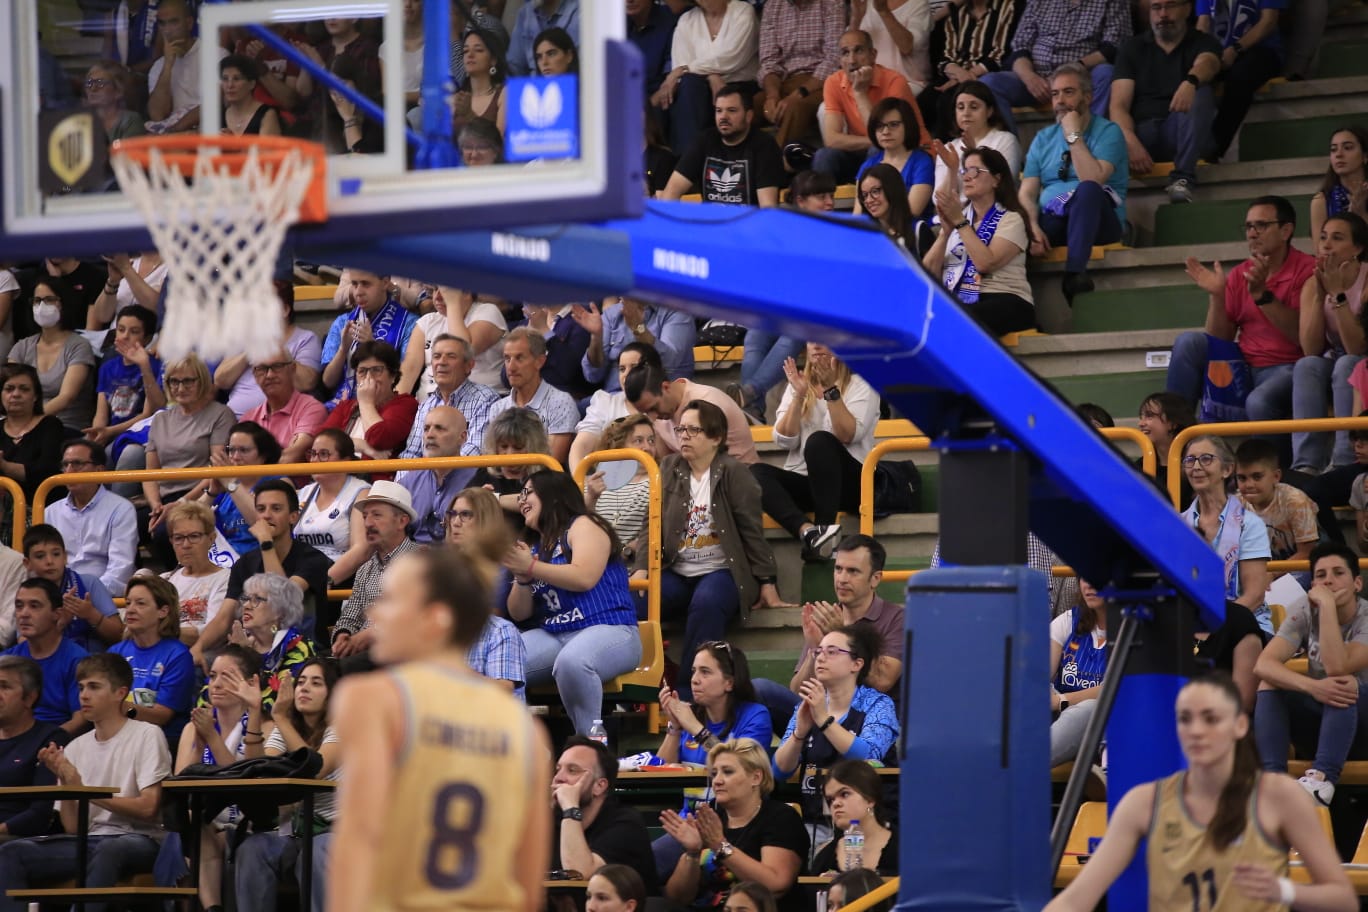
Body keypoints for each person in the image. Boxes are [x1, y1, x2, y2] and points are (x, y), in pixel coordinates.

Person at [328, 544, 552, 912]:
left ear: (436, 619)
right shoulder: (527, 733)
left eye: (391, 600)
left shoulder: (374, 700)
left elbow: (357, 842)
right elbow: (528, 879)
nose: (373, 612)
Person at [1043, 673, 1356, 912]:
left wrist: (1283, 891)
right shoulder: (1144, 802)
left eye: (1211, 719)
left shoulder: (1279, 796)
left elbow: (1343, 899)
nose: (1196, 730)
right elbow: (1075, 900)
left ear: (1240, 726)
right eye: (1185, 719)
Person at [0, 653, 172, 906]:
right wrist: (67, 783)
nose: (84, 695)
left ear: (119, 693)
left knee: (110, 849)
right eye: (80, 687)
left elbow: (148, 808)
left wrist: (84, 790)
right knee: (11, 852)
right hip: (89, 839)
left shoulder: (147, 734)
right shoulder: (76, 746)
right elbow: (73, 827)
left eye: (94, 687)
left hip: (140, 839)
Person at [643, 400, 785, 700]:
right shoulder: (667, 467)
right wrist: (643, 566)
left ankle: (687, 695)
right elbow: (650, 525)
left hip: (722, 571)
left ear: (716, 437)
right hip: (676, 569)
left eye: (694, 430)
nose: (684, 436)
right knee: (635, 600)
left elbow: (751, 531)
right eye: (681, 429)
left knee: (706, 604)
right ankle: (640, 690)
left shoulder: (734, 473)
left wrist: (767, 582)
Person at [505, 471, 641, 735]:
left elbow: (584, 577)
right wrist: (522, 578)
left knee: (573, 661)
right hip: (556, 633)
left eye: (528, 492)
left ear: (553, 495)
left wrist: (531, 566)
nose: (522, 500)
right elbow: (519, 614)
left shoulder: (584, 524)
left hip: (611, 627)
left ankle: (590, 743)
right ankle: (515, 744)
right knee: (500, 659)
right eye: (520, 494)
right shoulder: (535, 545)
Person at [1168, 196, 1316, 424]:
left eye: (1261, 225)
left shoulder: (1307, 269)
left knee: (1258, 401)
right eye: (1248, 227)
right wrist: (1217, 296)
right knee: (1188, 342)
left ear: (1286, 231)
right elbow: (1221, 340)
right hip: (1244, 365)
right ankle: (1173, 434)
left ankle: (1272, 460)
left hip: (1288, 366)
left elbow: (1302, 338)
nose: (1252, 233)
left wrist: (1262, 296)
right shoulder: (1240, 273)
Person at [1253, 541, 1368, 807]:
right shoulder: (1304, 610)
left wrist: (1327, 608)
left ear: (1357, 584)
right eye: (1320, 575)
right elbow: (1264, 664)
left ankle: (1321, 780)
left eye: (1338, 573)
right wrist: (1312, 687)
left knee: (1343, 682)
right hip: (1326, 716)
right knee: (1271, 680)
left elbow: (1337, 667)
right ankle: (1273, 782)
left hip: (1362, 718)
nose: (1329, 581)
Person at [750, 344, 880, 560]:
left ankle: (825, 528)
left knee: (819, 442)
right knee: (754, 473)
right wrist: (799, 396)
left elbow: (847, 435)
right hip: (809, 484)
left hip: (851, 485)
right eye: (811, 340)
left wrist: (830, 391)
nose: (817, 345)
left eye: (824, 338)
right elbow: (784, 440)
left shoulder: (863, 385)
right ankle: (810, 534)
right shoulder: (797, 386)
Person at [234, 657, 342, 912]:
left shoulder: (343, 728)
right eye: (301, 681)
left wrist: (280, 717)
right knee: (253, 849)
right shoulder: (288, 729)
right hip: (297, 831)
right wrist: (254, 712)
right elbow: (260, 770)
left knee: (315, 853)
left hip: (338, 831)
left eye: (316, 683)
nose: (304, 688)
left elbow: (314, 770)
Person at [1019, 63, 1129, 303]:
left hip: (1100, 222)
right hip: (1055, 221)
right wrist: (1033, 227)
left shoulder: (1109, 132)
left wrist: (1072, 135)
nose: (1060, 100)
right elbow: (1027, 193)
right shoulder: (1043, 138)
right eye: (1055, 94)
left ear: (1087, 97)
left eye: (1068, 92)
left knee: (1088, 188)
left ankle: (1074, 274)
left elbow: (1093, 179)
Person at [193, 480, 332, 670]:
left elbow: (282, 601)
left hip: (302, 652)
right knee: (198, 663)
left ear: (293, 516)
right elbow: (224, 617)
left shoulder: (312, 559)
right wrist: (198, 647)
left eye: (276, 508)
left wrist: (266, 543)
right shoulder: (245, 563)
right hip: (253, 649)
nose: (267, 515)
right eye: (261, 509)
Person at [660, 738, 808, 912]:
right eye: (714, 774)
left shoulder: (780, 818)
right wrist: (692, 853)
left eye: (728, 772)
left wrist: (719, 846)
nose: (717, 781)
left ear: (756, 777)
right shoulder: (710, 818)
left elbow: (775, 886)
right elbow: (676, 898)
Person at [773, 626, 899, 827]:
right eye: (818, 651)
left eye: (831, 652)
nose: (821, 658)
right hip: (815, 823)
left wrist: (823, 719)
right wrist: (799, 734)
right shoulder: (806, 706)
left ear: (856, 664)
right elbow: (779, 771)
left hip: (870, 823)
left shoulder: (877, 704)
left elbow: (869, 754)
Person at [176, 645, 270, 912]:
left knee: (195, 838)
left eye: (225, 677)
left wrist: (213, 739)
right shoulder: (193, 727)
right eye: (212, 675)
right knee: (190, 827)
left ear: (251, 683)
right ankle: (212, 908)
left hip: (252, 820)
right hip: (205, 823)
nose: (215, 684)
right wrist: (198, 739)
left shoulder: (266, 726)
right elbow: (182, 786)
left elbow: (251, 783)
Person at [1109, 0, 1220, 204]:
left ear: (1187, 9)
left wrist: (1191, 81)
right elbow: (1118, 105)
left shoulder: (1203, 41)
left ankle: (1183, 179)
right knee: (1111, 134)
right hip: (1143, 135)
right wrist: (1130, 141)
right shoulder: (1132, 47)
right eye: (1156, 8)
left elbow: (1209, 63)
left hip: (1182, 133)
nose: (1163, 14)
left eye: (1170, 6)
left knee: (1201, 93)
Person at [925, 145, 1037, 334]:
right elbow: (927, 274)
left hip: (1006, 300)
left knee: (958, 319)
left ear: (996, 179)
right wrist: (945, 233)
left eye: (975, 171)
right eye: (964, 171)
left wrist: (960, 223)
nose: (967, 177)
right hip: (963, 301)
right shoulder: (960, 220)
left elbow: (985, 263)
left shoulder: (1011, 219)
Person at [977, 0, 1131, 135]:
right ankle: (1004, 154)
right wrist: (1030, 78)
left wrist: (1069, 71)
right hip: (1037, 78)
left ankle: (1090, 143)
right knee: (989, 83)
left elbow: (1113, 48)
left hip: (1081, 73)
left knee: (1106, 73)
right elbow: (1019, 48)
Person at [1292, 212, 1368, 472]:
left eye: (1337, 238)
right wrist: (1319, 295)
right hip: (1335, 357)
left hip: (1361, 358)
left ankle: (1346, 460)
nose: (1326, 245)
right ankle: (1306, 465)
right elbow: (1311, 348)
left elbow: (1357, 348)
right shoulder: (1313, 283)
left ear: (1357, 248)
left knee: (1348, 364)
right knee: (1307, 366)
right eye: (1323, 237)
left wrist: (1337, 295)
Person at [1182, 435, 1273, 634]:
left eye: (1206, 459)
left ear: (1227, 469)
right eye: (1190, 460)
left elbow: (1255, 595)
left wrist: (1214, 631)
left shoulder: (1250, 524)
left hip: (1244, 623)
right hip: (1191, 627)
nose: (1196, 467)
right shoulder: (1179, 525)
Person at [550, 736, 659, 892]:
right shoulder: (554, 818)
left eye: (572, 770)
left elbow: (579, 874)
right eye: (558, 769)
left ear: (599, 786)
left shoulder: (625, 825)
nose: (558, 778)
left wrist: (570, 808)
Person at [445, 487, 527, 696]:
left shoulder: (504, 563)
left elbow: (489, 616)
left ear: (485, 520)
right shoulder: (441, 564)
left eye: (465, 515)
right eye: (453, 514)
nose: (455, 522)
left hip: (483, 643)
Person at [144, 353, 235, 534]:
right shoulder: (160, 419)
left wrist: (181, 503)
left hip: (201, 494)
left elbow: (217, 467)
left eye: (188, 381)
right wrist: (156, 506)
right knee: (131, 524)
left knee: (165, 532)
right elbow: (150, 473)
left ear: (201, 381)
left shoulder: (220, 414)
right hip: (163, 498)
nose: (180, 388)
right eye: (174, 382)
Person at [654, 0, 760, 156]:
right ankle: (686, 164)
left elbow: (731, 58)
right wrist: (711, 75)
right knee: (684, 89)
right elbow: (681, 66)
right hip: (698, 87)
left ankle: (686, 167)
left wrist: (686, 69)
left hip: (739, 85)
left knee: (691, 88)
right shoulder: (687, 20)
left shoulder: (742, 12)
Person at [332, 481, 421, 662]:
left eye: (376, 516)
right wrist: (342, 635)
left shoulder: (420, 560)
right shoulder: (365, 568)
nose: (367, 523)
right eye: (365, 516)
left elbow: (414, 614)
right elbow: (350, 614)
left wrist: (370, 635)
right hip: (364, 655)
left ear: (402, 521)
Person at [814, 30, 918, 183]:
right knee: (824, 156)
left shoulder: (895, 81)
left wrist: (859, 93)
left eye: (859, 51)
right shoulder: (833, 82)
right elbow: (831, 139)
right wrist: (874, 140)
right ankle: (823, 204)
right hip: (864, 150)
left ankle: (872, 203)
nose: (852, 60)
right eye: (845, 53)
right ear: (839, 60)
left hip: (904, 152)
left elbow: (889, 135)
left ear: (873, 55)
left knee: (877, 150)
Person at [661, 83, 784, 207]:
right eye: (719, 111)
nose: (723, 117)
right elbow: (671, 192)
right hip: (710, 224)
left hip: (748, 225)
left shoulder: (764, 145)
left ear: (748, 116)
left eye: (731, 110)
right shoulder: (705, 140)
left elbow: (768, 208)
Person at [215, 280, 322, 418]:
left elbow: (306, 383)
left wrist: (276, 350)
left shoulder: (306, 339)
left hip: (277, 422)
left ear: (285, 310)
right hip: (234, 421)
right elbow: (221, 380)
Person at [108, 575, 195, 743]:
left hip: (160, 741)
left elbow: (162, 716)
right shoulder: (116, 652)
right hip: (119, 737)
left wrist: (117, 706)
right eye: (128, 603)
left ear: (163, 611)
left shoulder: (177, 655)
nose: (130, 610)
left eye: (140, 603)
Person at [46, 440, 138, 597]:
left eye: (77, 464)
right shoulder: (50, 512)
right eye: (65, 465)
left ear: (99, 470)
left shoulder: (121, 508)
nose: (69, 471)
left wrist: (84, 594)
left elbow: (120, 571)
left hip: (104, 599)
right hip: (58, 600)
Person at [1197, 0, 1283, 162]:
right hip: (1220, 51)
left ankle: (1213, 150)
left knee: (1239, 78)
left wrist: (1236, 49)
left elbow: (1269, 21)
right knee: (1196, 76)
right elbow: (1203, 23)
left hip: (1261, 50)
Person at [625, 363, 761, 466]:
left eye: (654, 408)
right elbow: (666, 465)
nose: (652, 417)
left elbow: (705, 461)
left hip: (739, 481)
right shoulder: (659, 415)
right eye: (646, 412)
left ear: (665, 387)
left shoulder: (708, 401)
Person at [659, 641, 772, 764]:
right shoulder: (690, 716)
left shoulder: (755, 717)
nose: (694, 679)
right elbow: (659, 776)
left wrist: (696, 729)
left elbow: (738, 768)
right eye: (694, 671)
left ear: (729, 683)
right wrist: (675, 728)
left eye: (705, 672)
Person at [12, 276, 98, 436]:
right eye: (37, 300)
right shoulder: (22, 347)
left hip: (66, 425)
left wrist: (28, 420)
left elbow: (66, 397)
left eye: (49, 299)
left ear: (63, 303)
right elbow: (8, 387)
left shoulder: (79, 346)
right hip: (22, 425)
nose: (42, 306)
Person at [919, 0, 1017, 140]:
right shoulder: (956, 12)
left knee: (948, 102)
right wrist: (958, 74)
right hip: (955, 73)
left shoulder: (1007, 6)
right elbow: (947, 54)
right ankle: (926, 155)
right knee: (925, 100)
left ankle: (952, 153)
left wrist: (967, 75)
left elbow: (1000, 53)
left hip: (984, 73)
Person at [320, 269, 418, 409]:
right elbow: (328, 381)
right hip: (341, 405)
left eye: (366, 284)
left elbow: (402, 381)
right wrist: (343, 350)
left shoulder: (409, 323)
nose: (358, 292)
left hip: (384, 407)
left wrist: (372, 346)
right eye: (354, 284)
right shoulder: (342, 322)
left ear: (385, 283)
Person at [753, 0, 843, 149]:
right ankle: (739, 162)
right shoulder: (773, 5)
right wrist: (772, 96)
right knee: (749, 105)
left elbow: (834, 58)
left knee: (795, 107)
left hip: (820, 82)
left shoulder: (832, 4)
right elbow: (769, 60)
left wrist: (798, 93)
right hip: (784, 81)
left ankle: (776, 165)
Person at [22, 524, 123, 653]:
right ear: (27, 563)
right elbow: (25, 649)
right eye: (40, 556)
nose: (49, 561)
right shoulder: (26, 595)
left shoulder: (89, 584)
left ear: (65, 557)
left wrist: (91, 614)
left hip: (94, 665)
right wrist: (60, 625)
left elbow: (119, 636)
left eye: (56, 554)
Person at [487, 327, 580, 466]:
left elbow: (551, 463)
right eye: (507, 359)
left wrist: (521, 489)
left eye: (519, 358)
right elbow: (491, 460)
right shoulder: (498, 408)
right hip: (504, 483)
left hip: (541, 484)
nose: (511, 367)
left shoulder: (561, 402)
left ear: (540, 361)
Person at [226, 572, 317, 714]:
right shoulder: (240, 641)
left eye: (257, 600)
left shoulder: (298, 646)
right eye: (246, 599)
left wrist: (245, 654)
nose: (246, 606)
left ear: (279, 611)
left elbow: (278, 699)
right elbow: (216, 689)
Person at [0, 656, 70, 838]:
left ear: (30, 698)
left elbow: (41, 813)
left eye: (5, 687)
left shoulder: (50, 740)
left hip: (17, 839)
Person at [4, 578, 86, 734]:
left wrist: (45, 742)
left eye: (34, 606)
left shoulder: (78, 660)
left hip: (57, 745)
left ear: (57, 614)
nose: (24, 614)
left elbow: (81, 718)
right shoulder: (6, 660)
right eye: (19, 606)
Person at [400, 333, 498, 461]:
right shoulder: (426, 405)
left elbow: (474, 453)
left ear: (469, 365)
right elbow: (411, 454)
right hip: (425, 477)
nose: (441, 362)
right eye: (436, 356)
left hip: (464, 479)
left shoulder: (485, 399)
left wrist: (435, 473)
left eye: (451, 356)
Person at [320, 340, 420, 465]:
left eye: (376, 370)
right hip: (337, 476)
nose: (368, 377)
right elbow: (321, 443)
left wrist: (366, 403)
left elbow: (379, 439)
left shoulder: (405, 404)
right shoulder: (346, 406)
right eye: (362, 371)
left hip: (375, 481)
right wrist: (362, 446)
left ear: (393, 375)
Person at [294, 429, 372, 586]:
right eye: (313, 454)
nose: (315, 460)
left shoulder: (361, 492)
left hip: (338, 578)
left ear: (346, 460)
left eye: (323, 454)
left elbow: (361, 550)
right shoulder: (303, 494)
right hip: (299, 574)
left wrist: (321, 584)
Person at [571, 343, 664, 470]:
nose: (626, 374)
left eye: (633, 367)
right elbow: (581, 446)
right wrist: (580, 482)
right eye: (622, 369)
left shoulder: (663, 407)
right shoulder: (605, 402)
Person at [576, 299, 696, 396]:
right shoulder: (611, 314)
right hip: (614, 399)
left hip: (657, 398)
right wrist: (596, 338)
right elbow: (592, 375)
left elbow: (669, 363)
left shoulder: (677, 312)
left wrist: (638, 328)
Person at [1049, 580, 1110, 766]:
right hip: (1060, 722)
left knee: (1094, 708)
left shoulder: (1135, 627)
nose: (1089, 585)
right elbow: (1037, 677)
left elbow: (1112, 688)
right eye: (1084, 577)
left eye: (1096, 577)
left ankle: (1019, 766)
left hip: (1106, 725)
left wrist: (1061, 701)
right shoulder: (1067, 620)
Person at [85, 304, 164, 448]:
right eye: (121, 330)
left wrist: (109, 431)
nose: (125, 336)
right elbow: (101, 414)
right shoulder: (108, 367)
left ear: (147, 338)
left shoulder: (154, 365)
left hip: (138, 434)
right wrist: (97, 432)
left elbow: (149, 413)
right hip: (109, 432)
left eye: (134, 331)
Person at [396, 407, 476, 544]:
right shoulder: (408, 482)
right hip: (414, 559)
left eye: (439, 428)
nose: (430, 435)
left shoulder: (478, 477)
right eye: (426, 429)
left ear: (462, 438)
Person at [146, 0, 228, 133]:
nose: (167, 30)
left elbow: (213, 105)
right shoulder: (158, 66)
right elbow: (157, 115)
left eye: (174, 22)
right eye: (162, 23)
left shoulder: (217, 55)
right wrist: (167, 66)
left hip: (202, 130)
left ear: (189, 23)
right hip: (169, 133)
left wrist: (174, 131)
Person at [1235, 438, 1320, 564]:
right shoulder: (1235, 504)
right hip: (1261, 568)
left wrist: (1269, 575)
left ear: (1276, 476)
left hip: (1300, 566)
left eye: (1257, 477)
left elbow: (1306, 553)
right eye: (1242, 478)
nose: (1249, 484)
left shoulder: (1296, 501)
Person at [204, 422, 284, 558]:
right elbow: (188, 521)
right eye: (231, 450)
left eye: (243, 450)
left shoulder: (278, 482)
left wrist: (232, 484)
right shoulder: (225, 488)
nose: (235, 457)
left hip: (262, 561)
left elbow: (263, 524)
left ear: (263, 455)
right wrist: (212, 492)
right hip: (222, 563)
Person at [931, 82, 1021, 201]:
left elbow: (1001, 188)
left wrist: (973, 157)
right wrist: (952, 170)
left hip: (994, 215)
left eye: (974, 107)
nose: (966, 113)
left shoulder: (1006, 140)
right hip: (956, 215)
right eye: (960, 107)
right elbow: (939, 201)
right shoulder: (949, 148)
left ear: (989, 111)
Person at [157, 500, 231, 644]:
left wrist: (158, 632)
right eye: (178, 538)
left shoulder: (226, 579)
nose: (186, 545)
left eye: (194, 536)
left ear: (211, 538)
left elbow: (212, 631)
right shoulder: (164, 581)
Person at [584, 415, 656, 561]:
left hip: (635, 569)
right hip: (593, 568)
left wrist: (625, 551)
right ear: (619, 446)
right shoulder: (594, 483)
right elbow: (579, 529)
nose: (647, 447)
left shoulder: (659, 481)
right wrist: (590, 498)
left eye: (651, 441)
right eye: (638, 441)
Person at [809, 760, 899, 874]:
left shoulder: (904, 849)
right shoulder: (825, 858)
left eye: (844, 794)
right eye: (830, 799)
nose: (836, 804)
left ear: (870, 799)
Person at [241, 350, 328, 465]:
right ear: (255, 375)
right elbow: (237, 461)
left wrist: (253, 460)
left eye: (277, 366)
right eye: (262, 369)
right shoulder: (248, 418)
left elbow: (291, 457)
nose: (269, 375)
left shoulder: (311, 409)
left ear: (292, 369)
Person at [855, 98, 934, 223]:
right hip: (876, 233)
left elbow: (912, 211)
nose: (886, 132)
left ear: (908, 126)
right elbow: (858, 215)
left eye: (893, 125)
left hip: (911, 234)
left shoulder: (922, 162)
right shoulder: (868, 165)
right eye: (880, 126)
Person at [0, 363, 64, 501]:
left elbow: (47, 473)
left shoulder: (51, 425)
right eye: (9, 389)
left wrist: (4, 466)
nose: (16, 394)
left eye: (24, 389)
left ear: (35, 396)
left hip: (41, 507)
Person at [1309, 126, 1368, 243]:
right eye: (1333, 149)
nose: (1339, 154)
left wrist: (1361, 214)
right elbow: (1321, 253)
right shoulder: (1321, 200)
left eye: (1347, 148)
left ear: (1365, 156)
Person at [1136, 391, 1195, 504]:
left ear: (1173, 422)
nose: (1141, 423)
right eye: (1141, 417)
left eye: (1149, 416)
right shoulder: (1139, 467)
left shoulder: (1197, 463)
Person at [509, 0, 580, 76]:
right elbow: (514, 68)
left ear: (569, 56)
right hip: (534, 84)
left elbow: (584, 69)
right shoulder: (525, 12)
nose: (544, 62)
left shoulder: (584, 12)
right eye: (538, 57)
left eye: (551, 54)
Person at [220, 54, 283, 136]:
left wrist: (234, 145)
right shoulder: (218, 115)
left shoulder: (267, 114)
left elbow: (267, 148)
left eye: (237, 79)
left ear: (252, 84)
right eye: (225, 79)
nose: (230, 85)